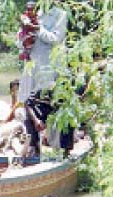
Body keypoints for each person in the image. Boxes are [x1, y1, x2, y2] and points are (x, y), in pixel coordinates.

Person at [19, 2, 71, 157]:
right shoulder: (32, 15)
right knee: (30, 104)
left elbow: (56, 38)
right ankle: (33, 148)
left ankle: (61, 149)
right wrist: (25, 41)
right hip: (33, 69)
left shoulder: (60, 15)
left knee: (57, 106)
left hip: (52, 70)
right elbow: (21, 44)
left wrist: (37, 29)